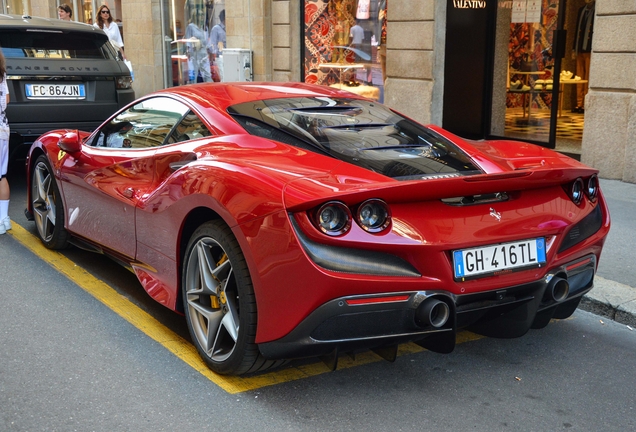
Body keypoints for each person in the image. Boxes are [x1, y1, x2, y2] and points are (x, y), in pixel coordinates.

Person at [185, 7, 212, 83]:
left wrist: (210, 50)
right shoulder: (191, 27)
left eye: (202, 15)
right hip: (195, 54)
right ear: (196, 16)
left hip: (203, 54)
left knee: (207, 75)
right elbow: (188, 40)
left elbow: (207, 41)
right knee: (194, 75)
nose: (202, 17)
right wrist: (188, 51)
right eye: (200, 15)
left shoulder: (204, 27)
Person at [0, 49, 11, 234]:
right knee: (1, 176)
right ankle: (4, 219)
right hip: (3, 130)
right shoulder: (2, 74)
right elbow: (7, 100)